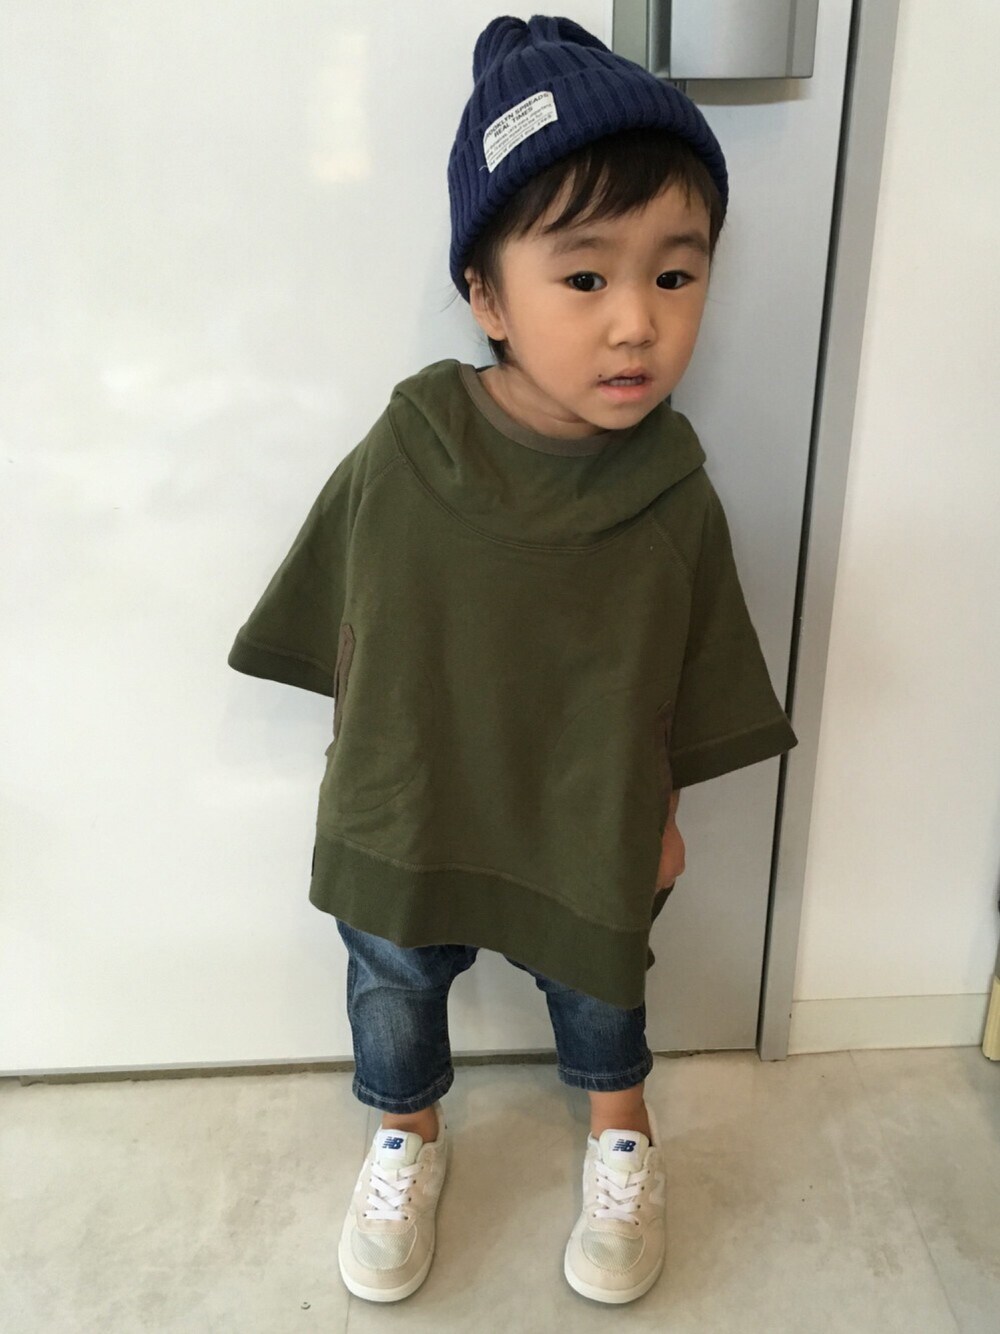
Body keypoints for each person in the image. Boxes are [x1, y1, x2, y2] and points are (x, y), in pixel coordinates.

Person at [227, 13, 797, 1307]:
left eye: (676, 275)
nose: (636, 323)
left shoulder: (674, 492)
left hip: (585, 807)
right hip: (416, 789)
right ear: (487, 295)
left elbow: (682, 675)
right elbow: (356, 610)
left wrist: (661, 814)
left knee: (602, 981)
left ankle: (621, 1134)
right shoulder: (411, 446)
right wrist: (360, 771)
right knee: (392, 972)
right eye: (584, 279)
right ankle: (406, 1133)